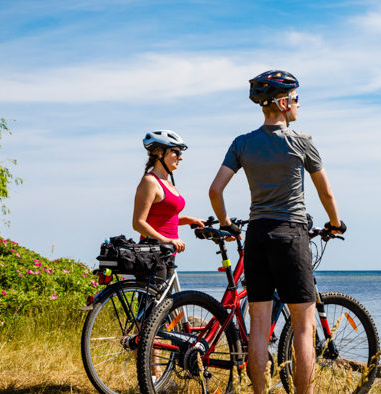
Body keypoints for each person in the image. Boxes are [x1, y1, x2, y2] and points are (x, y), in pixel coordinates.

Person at [209, 70, 346, 394]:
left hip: (257, 236)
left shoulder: (242, 143)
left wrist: (227, 222)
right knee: (303, 328)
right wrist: (335, 222)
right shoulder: (302, 142)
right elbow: (326, 193)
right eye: (296, 99)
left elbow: (215, 190)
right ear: (283, 102)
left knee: (258, 327)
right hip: (290, 235)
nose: (298, 105)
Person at [133, 130, 205, 273]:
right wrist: (165, 240)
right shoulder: (150, 181)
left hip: (167, 252)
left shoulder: (167, 182)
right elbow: (138, 223)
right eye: (176, 152)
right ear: (160, 153)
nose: (181, 158)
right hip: (153, 254)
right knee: (156, 295)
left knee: (166, 296)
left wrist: (190, 220)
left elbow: (162, 217)